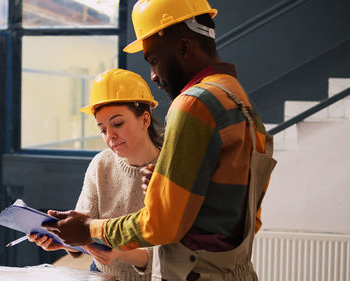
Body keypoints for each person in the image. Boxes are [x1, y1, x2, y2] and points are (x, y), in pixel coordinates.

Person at [42, 0, 277, 280]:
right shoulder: (239, 100)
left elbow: (161, 225)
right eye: (102, 128)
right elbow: (245, 215)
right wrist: (167, 190)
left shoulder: (193, 104)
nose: (153, 75)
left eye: (153, 60)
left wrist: (91, 229)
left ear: (184, 48)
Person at [29, 68, 163, 281]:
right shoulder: (101, 164)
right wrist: (64, 240)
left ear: (145, 119)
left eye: (117, 124)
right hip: (102, 276)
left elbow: (171, 255)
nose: (110, 136)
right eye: (102, 129)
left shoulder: (169, 168)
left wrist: (121, 253)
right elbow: (82, 231)